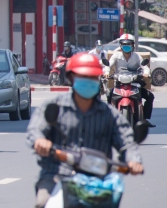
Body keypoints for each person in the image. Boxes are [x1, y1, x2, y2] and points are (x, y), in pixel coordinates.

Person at [27, 52, 144, 208]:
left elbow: (127, 142)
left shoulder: (109, 114)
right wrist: (40, 141)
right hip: (57, 175)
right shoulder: (54, 106)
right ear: (71, 78)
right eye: (83, 77)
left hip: (97, 180)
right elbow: (35, 130)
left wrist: (133, 160)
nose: (88, 81)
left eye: (92, 77)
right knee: (43, 202)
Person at [105, 33, 154, 125]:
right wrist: (107, 72)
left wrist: (146, 72)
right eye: (124, 44)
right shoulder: (116, 56)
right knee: (109, 95)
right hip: (119, 84)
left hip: (134, 84)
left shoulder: (136, 56)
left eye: (129, 44)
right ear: (120, 45)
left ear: (133, 45)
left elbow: (144, 66)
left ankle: (144, 118)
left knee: (150, 96)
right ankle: (108, 117)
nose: (126, 46)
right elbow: (108, 65)